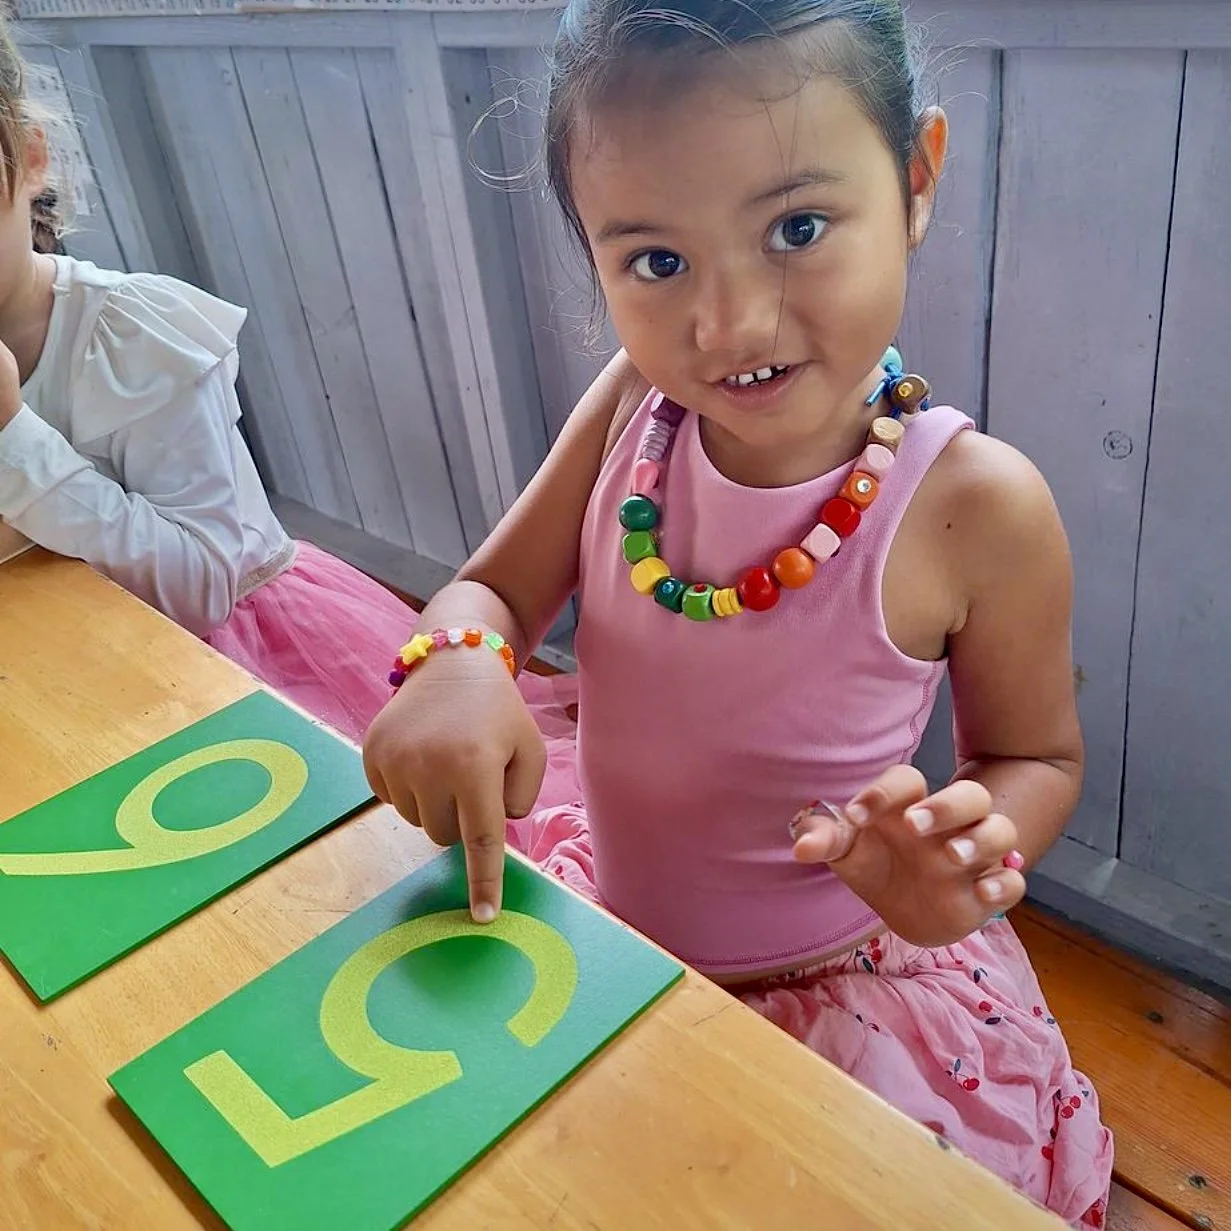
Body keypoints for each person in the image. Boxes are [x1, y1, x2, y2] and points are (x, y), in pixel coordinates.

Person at [363, 0, 1112, 1220]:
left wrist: (963, 860)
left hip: (844, 993)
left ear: (916, 178)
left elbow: (1033, 754)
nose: (730, 325)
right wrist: (455, 658)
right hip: (616, 934)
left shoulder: (974, 503)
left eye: (797, 228)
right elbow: (493, 590)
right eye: (656, 261)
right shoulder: (630, 415)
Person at [0, 21, 578, 751]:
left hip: (245, 663)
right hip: (67, 668)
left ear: (29, 159)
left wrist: (15, 437)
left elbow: (198, 587)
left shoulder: (132, 336)